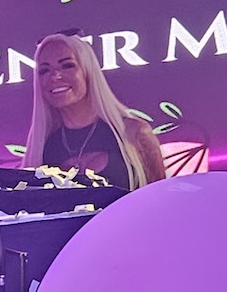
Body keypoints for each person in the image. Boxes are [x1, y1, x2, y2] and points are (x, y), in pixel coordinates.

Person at [24, 30, 165, 190]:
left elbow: (160, 198)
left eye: (67, 65)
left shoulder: (133, 133)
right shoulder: (41, 148)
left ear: (88, 71)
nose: (55, 76)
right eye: (44, 70)